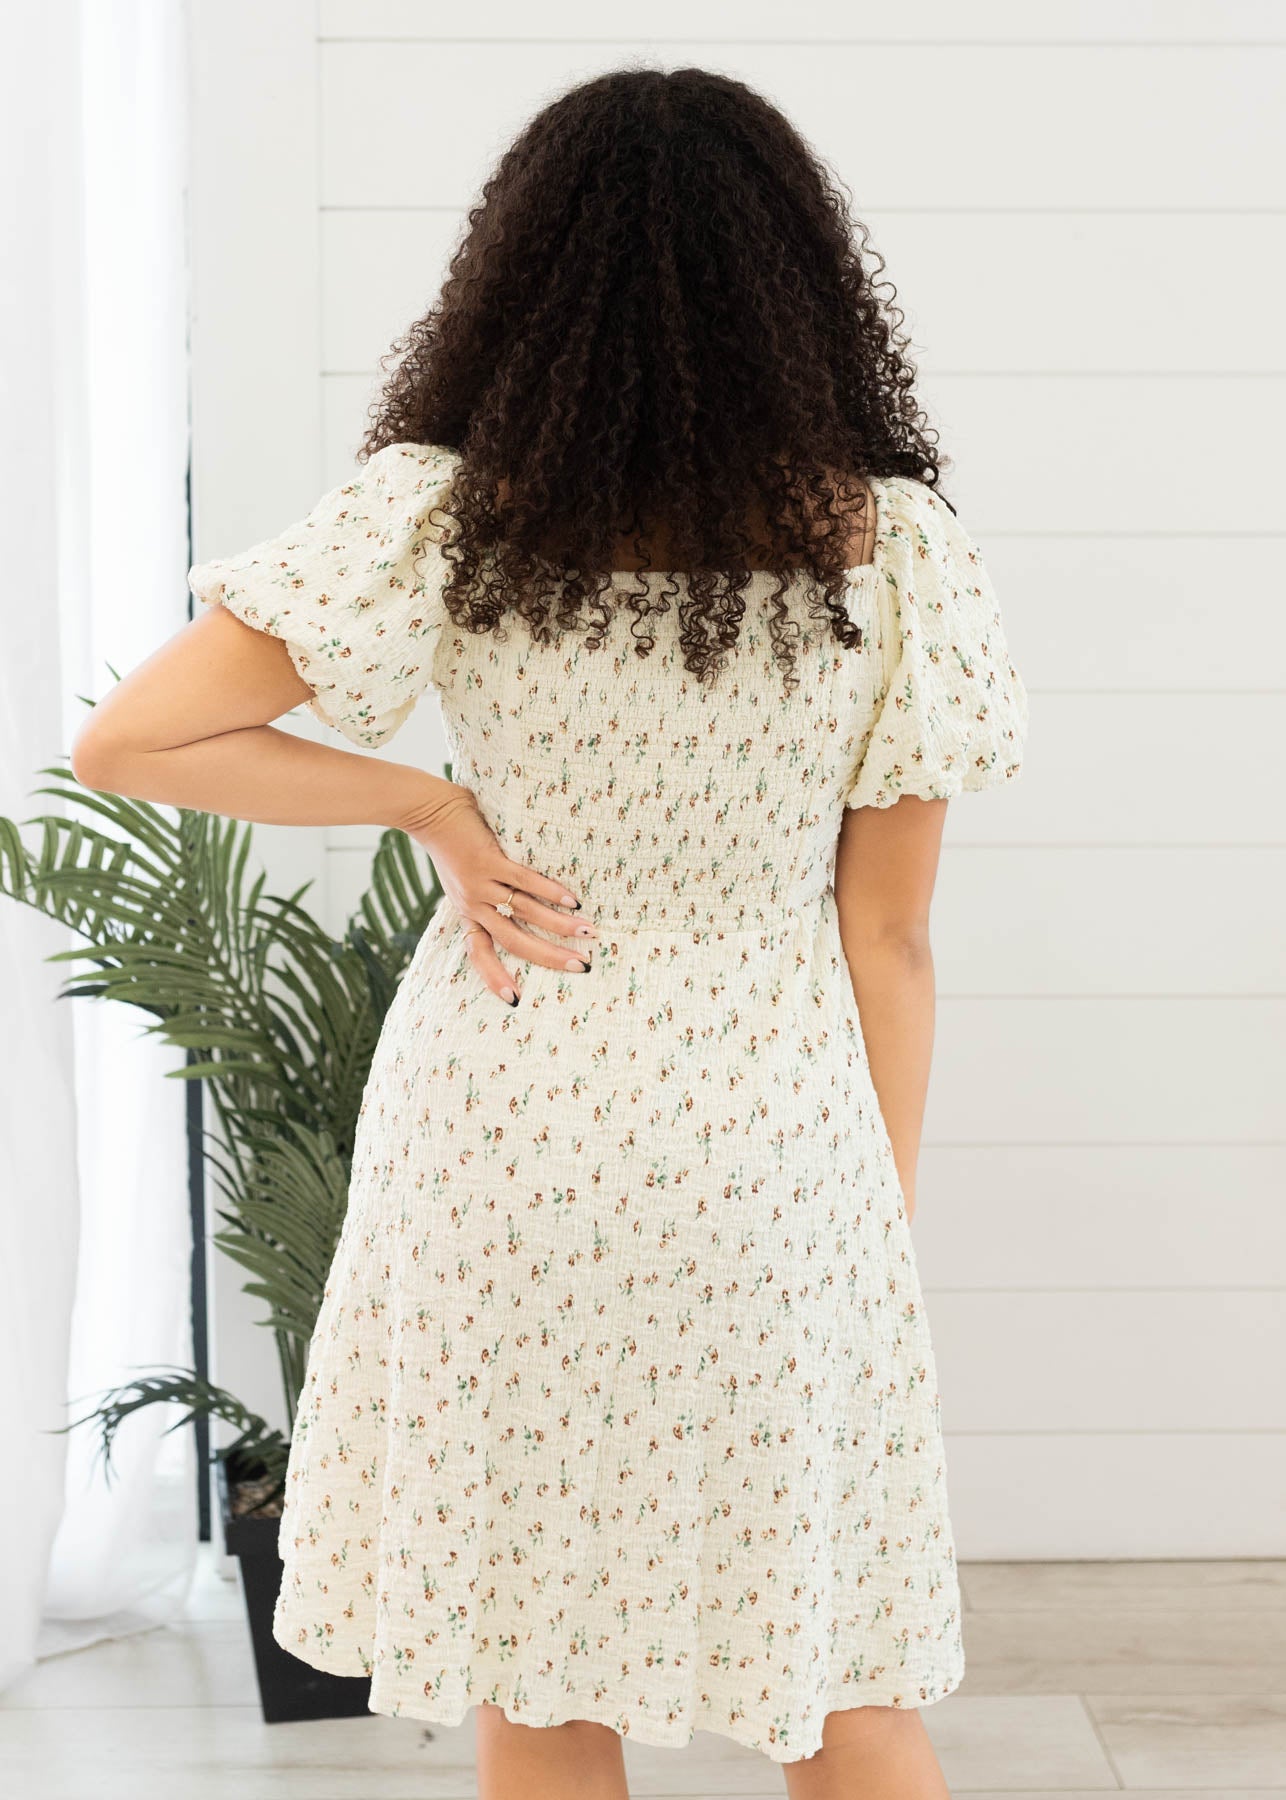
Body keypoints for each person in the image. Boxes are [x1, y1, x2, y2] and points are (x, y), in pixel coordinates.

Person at [72, 64, 1028, 1800]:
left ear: (524, 273)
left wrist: (432, 804)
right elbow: (887, 939)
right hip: (768, 1144)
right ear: (799, 285)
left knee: (536, 1673)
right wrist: (868, 1220)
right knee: (835, 1687)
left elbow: (132, 738)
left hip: (506, 1121)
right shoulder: (896, 553)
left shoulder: (446, 512)